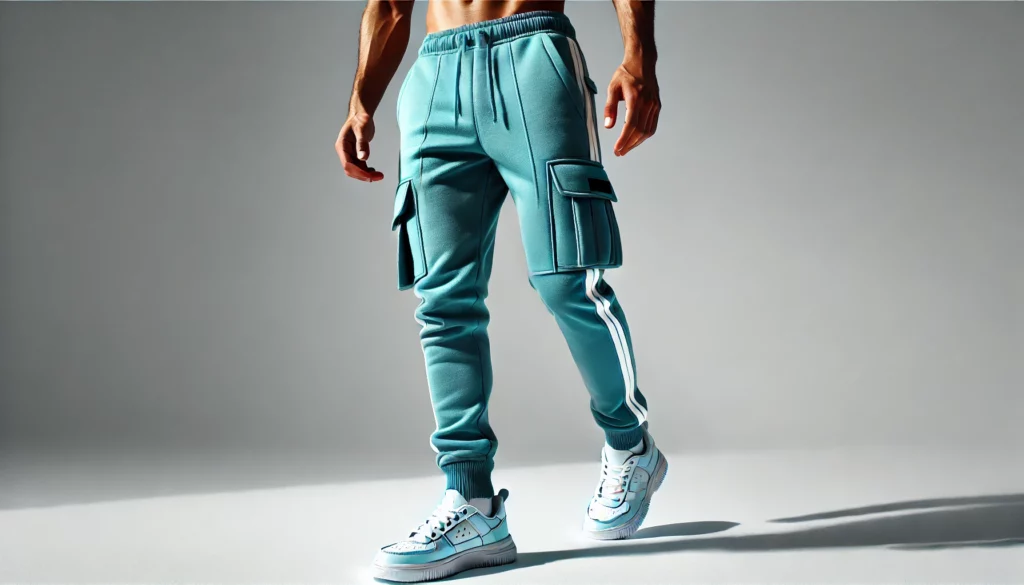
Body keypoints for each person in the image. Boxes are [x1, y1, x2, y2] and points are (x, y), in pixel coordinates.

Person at [336, 1, 664, 581]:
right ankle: (473, 503)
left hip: (533, 57)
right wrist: (361, 101)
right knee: (442, 300)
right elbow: (388, 5)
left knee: (568, 279)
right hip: (435, 76)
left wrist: (640, 56)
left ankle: (629, 443)